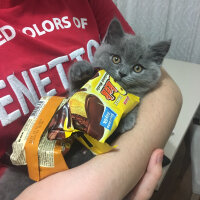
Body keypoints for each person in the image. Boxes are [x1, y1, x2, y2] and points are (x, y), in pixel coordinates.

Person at [0, 0, 182, 199]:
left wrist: (109, 179)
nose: (122, 72)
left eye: (136, 68)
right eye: (116, 59)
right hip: (26, 175)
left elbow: (168, 93)